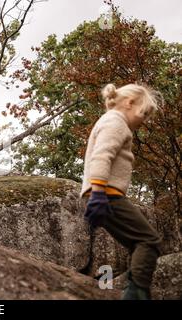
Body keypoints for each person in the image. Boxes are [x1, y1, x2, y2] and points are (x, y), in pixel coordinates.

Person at [81, 83, 163, 300]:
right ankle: (136, 293)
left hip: (103, 192)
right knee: (149, 240)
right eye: (143, 113)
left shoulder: (111, 121)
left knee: (136, 242)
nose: (143, 121)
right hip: (106, 193)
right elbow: (102, 156)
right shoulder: (116, 122)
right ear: (129, 103)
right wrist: (98, 193)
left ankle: (134, 289)